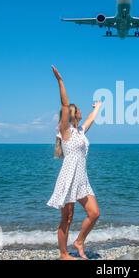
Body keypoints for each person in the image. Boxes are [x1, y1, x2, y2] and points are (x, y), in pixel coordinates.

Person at [47, 65, 102, 260]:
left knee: (94, 213)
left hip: (82, 179)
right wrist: (60, 81)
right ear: (71, 114)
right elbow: (64, 103)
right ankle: (63, 254)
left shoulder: (79, 132)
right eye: (77, 109)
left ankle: (79, 241)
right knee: (67, 218)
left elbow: (89, 120)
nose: (80, 111)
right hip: (68, 177)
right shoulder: (65, 130)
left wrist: (98, 108)